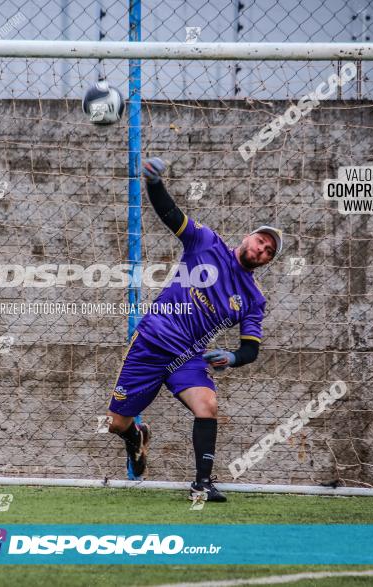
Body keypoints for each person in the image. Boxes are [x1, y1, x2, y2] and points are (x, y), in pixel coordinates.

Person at [106, 157, 282, 502]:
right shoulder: (206, 242)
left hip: (188, 356)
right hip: (151, 343)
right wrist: (155, 184)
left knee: (208, 405)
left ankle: (202, 483)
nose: (262, 249)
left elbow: (251, 349)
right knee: (116, 424)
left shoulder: (253, 299)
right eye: (261, 241)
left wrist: (232, 357)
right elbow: (172, 216)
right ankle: (135, 437)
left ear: (267, 262)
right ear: (249, 237)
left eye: (269, 252)